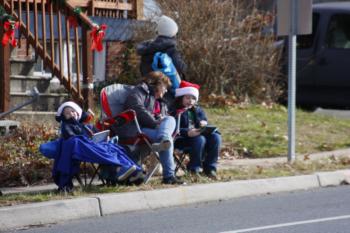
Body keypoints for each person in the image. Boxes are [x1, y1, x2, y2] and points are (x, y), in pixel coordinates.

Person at [49, 101, 142, 191]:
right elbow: (71, 136)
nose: (71, 114)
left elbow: (97, 134)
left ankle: (131, 170)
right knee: (81, 143)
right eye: (67, 113)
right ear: (63, 116)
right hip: (82, 148)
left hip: (95, 144)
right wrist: (74, 120)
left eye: (73, 111)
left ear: (78, 112)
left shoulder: (86, 126)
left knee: (113, 147)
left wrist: (105, 138)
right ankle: (121, 169)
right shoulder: (66, 125)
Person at [123, 71, 184, 185]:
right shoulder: (138, 92)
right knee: (167, 138)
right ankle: (169, 176)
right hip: (139, 129)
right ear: (158, 84)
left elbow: (164, 118)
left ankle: (163, 139)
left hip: (155, 130)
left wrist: (161, 119)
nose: (166, 91)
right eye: (165, 87)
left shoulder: (161, 102)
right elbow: (137, 109)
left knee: (170, 121)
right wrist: (156, 121)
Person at [171, 83, 222, 179]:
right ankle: (194, 169)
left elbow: (203, 121)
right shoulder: (175, 111)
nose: (190, 101)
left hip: (198, 135)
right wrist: (187, 132)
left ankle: (210, 168)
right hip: (181, 139)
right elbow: (172, 128)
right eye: (187, 98)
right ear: (180, 97)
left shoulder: (198, 110)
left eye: (193, 98)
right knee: (200, 139)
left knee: (216, 137)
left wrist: (203, 124)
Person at [137, 15, 187, 79]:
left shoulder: (148, 48)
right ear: (172, 33)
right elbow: (181, 68)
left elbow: (143, 69)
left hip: (149, 84)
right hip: (166, 86)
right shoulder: (170, 50)